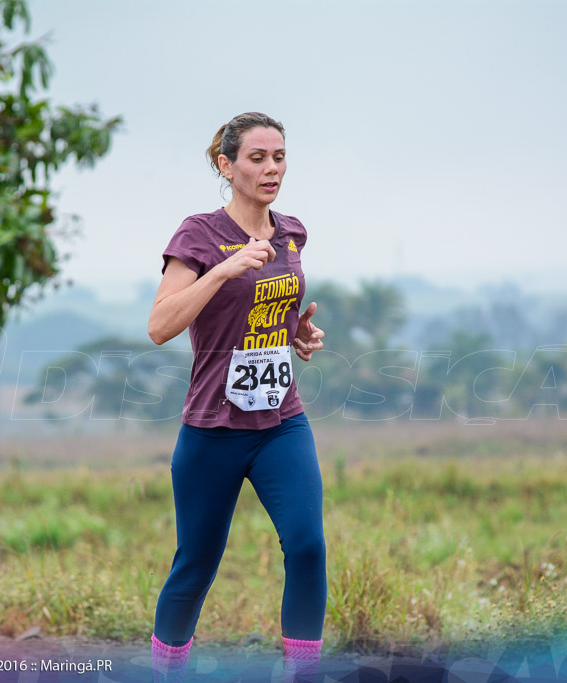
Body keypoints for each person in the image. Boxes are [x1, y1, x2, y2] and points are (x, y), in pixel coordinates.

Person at [147, 112, 327, 682]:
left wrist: (296, 331)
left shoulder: (292, 231)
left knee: (307, 546)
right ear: (226, 166)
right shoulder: (197, 234)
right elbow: (159, 325)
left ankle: (304, 674)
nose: (271, 168)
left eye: (278, 157)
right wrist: (223, 270)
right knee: (195, 565)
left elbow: (265, 310)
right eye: (257, 158)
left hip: (281, 424)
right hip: (212, 431)